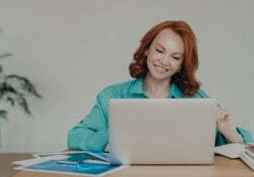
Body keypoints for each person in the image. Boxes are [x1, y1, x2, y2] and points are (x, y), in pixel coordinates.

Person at [67, 20, 253, 152]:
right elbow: (75, 136)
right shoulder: (112, 95)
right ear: (147, 49)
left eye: (175, 57)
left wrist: (232, 135)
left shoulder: (197, 100)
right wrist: (112, 139)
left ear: (182, 64)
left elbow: (245, 144)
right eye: (160, 50)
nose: (164, 61)